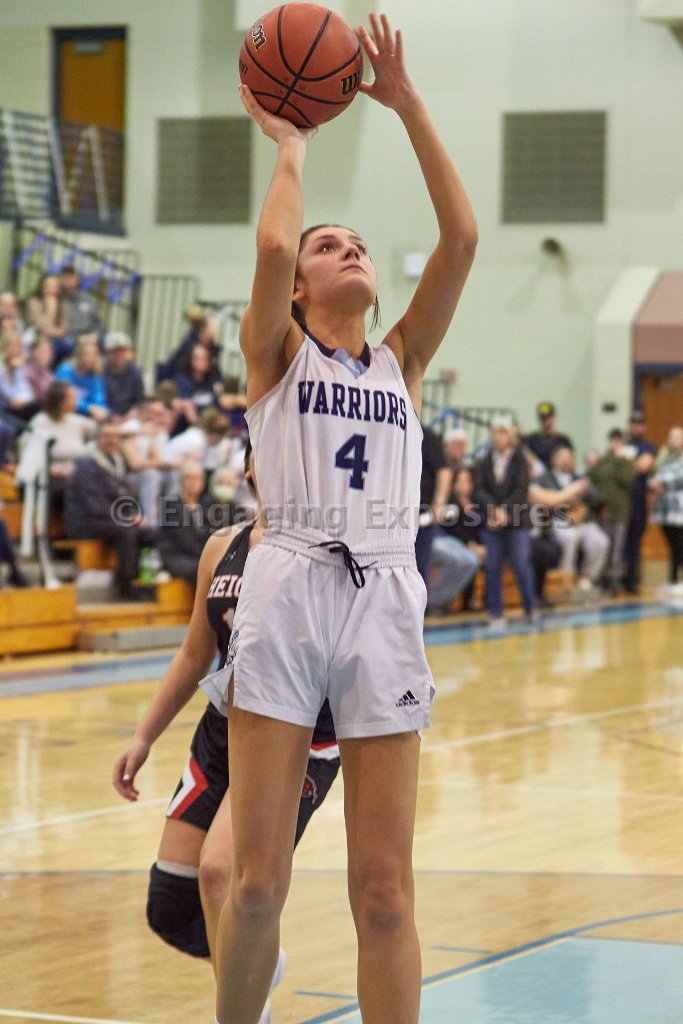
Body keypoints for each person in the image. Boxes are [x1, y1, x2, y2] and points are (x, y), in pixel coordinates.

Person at [207, 15, 477, 1024]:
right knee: (257, 885)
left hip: (383, 590)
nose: (347, 248)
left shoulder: (401, 360)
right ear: (301, 287)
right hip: (288, 584)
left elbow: (461, 239)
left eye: (358, 243)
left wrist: (407, 106)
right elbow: (274, 239)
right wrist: (291, 144)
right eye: (330, 246)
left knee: (384, 890)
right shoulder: (276, 354)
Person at [112, 449, 340, 1024]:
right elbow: (196, 652)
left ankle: (247, 1007)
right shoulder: (222, 545)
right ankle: (260, 962)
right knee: (170, 905)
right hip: (225, 725)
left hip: (299, 734)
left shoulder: (326, 549)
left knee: (223, 873)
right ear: (251, 468)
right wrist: (144, 736)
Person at [64, 420, 151, 600]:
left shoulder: (117, 461)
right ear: (97, 439)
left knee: (149, 533)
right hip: (85, 521)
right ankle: (126, 585)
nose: (111, 440)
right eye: (106, 436)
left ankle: (145, 581)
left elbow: (125, 495)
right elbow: (94, 505)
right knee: (127, 531)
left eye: (114, 436)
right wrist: (127, 517)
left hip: (109, 519)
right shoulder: (87, 465)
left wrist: (134, 515)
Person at [474, 415, 536, 625]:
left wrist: (505, 511)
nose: (498, 437)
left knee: (521, 564)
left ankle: (529, 608)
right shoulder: (484, 461)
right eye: (495, 433)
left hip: (517, 520)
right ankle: (495, 612)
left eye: (502, 433)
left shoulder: (521, 460)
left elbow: (521, 490)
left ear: (510, 436)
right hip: (492, 522)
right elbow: (479, 490)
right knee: (492, 566)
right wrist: (494, 509)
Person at [535, 446, 609, 595]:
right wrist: (569, 507)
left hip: (582, 521)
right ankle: (565, 579)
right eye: (562, 457)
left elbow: (596, 501)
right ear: (554, 460)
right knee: (570, 537)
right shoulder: (544, 479)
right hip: (558, 520)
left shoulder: (581, 479)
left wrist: (585, 505)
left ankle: (587, 578)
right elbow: (545, 504)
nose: (566, 461)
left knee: (601, 541)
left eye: (569, 457)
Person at [26, 381, 97, 520]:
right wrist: (53, 470)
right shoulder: (40, 422)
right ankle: (79, 526)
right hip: (51, 477)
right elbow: (30, 458)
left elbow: (104, 432)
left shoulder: (77, 421)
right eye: (72, 397)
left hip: (77, 473)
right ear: (60, 400)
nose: (76, 401)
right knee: (77, 487)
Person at [588, 428, 637, 595]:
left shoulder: (626, 462)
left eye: (618, 440)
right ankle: (601, 579)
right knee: (605, 546)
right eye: (613, 440)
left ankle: (615, 582)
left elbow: (627, 480)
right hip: (603, 511)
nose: (615, 443)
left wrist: (620, 460)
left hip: (620, 512)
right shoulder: (603, 461)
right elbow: (594, 478)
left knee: (617, 549)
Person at [622, 410, 657, 594]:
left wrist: (623, 467)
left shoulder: (648, 446)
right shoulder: (622, 444)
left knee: (635, 541)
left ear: (644, 426)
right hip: (621, 500)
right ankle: (619, 578)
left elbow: (644, 465)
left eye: (639, 423)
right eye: (633, 423)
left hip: (638, 500)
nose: (636, 427)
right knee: (621, 540)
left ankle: (632, 580)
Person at [415, 424, 451, 586]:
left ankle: (419, 601)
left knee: (420, 565)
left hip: (422, 513)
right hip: (397, 511)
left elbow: (444, 471)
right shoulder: (394, 431)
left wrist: (439, 503)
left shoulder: (426, 436)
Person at [650, 426, 683, 586]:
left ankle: (676, 578)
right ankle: (673, 578)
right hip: (664, 509)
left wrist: (664, 485)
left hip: (679, 509)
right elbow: (656, 474)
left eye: (678, 437)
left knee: (678, 544)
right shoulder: (665, 457)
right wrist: (654, 484)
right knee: (672, 544)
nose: (674, 440)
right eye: (672, 437)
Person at [54, 335, 109, 420]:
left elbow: (100, 402)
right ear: (79, 354)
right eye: (86, 354)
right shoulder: (65, 370)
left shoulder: (95, 377)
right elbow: (62, 398)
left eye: (93, 354)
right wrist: (88, 408)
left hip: (87, 418)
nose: (89, 358)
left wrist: (101, 411)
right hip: (63, 414)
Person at [103, 332, 145, 418]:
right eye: (115, 351)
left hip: (129, 416)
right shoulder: (101, 371)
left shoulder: (134, 371)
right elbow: (100, 399)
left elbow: (139, 400)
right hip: (106, 415)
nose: (119, 355)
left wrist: (132, 413)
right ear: (108, 353)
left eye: (123, 351)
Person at [522, 401, 574, 470]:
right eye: (543, 419)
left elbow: (571, 464)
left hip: (558, 474)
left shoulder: (563, 440)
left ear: (553, 418)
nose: (546, 421)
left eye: (548, 418)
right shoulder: (531, 440)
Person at [59, 264, 103, 340]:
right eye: (64, 276)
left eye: (70, 276)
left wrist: (95, 335)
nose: (67, 279)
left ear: (77, 278)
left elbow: (98, 322)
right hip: (69, 337)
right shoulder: (59, 299)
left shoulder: (88, 299)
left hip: (90, 336)